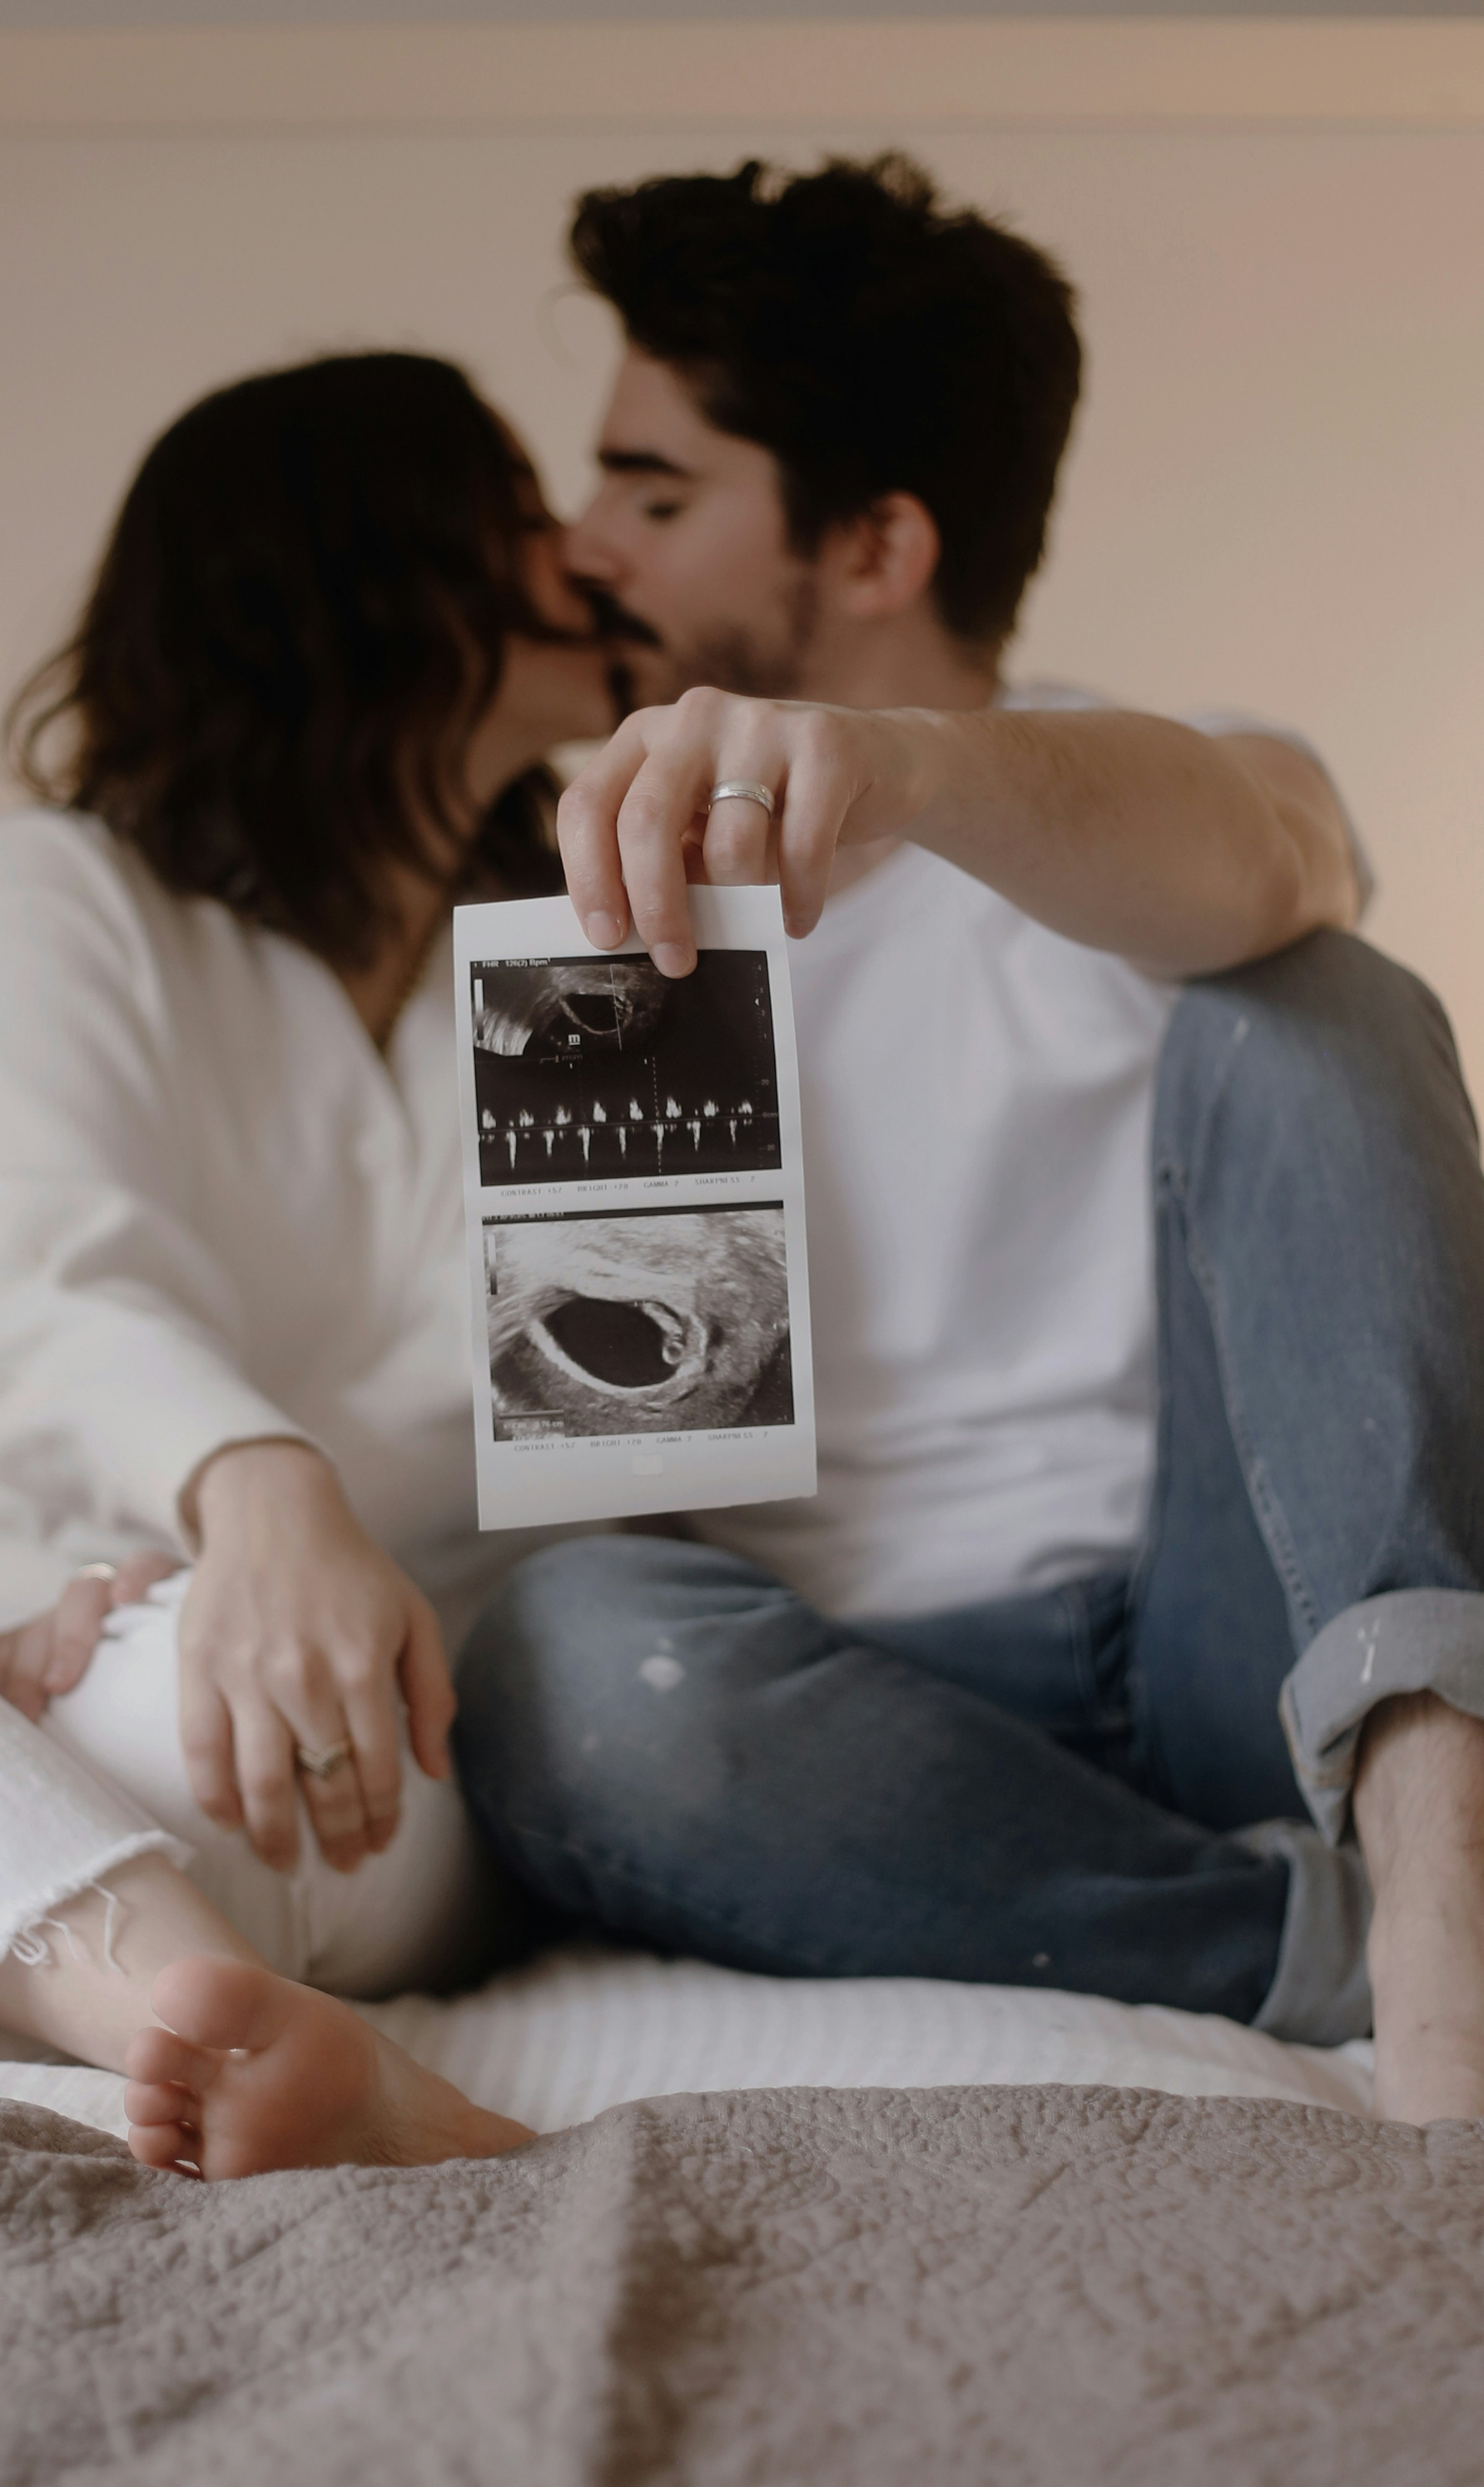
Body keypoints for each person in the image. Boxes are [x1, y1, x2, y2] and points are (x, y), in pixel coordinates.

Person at [450, 155, 1484, 2126]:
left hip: (1237, 1640)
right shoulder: (594, 872)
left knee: (1320, 997)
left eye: (656, 495)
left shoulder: (1148, 791)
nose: (583, 544)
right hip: (875, 1700)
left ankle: (1447, 1873)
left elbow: (1281, 851)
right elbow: (640, 1475)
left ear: (879, 546)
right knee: (560, 1658)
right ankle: (1293, 1940)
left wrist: (912, 781)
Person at [0, 349, 619, 2176]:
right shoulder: (69, 887)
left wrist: (207, 1570)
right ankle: (169, 2003)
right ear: (369, 580)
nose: (578, 554)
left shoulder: (604, 960)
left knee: (214, 1724)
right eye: (515, 518)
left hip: (308, 1691)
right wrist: (253, 1484)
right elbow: (27, 1264)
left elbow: (623, 1416)